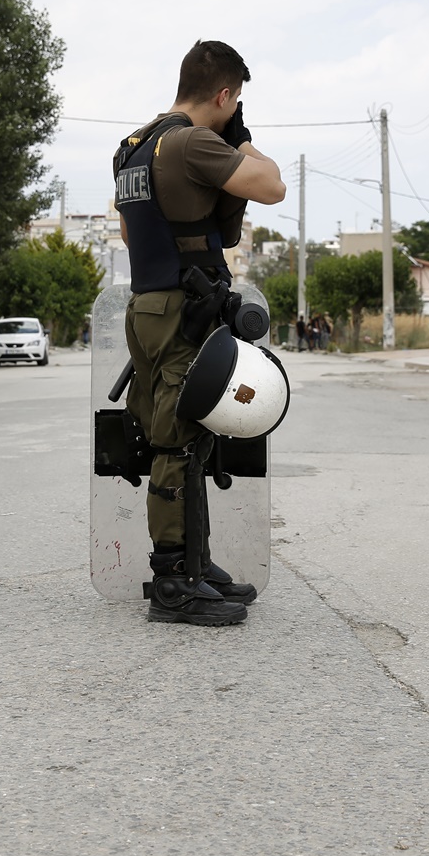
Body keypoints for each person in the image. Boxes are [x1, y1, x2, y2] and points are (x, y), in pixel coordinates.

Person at [114, 39, 287, 626]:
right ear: (224, 94)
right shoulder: (191, 142)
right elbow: (271, 184)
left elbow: (133, 238)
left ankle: (195, 562)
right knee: (177, 438)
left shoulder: (133, 148)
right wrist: (239, 135)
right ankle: (172, 579)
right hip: (184, 309)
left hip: (150, 303)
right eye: (233, 101)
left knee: (188, 432)